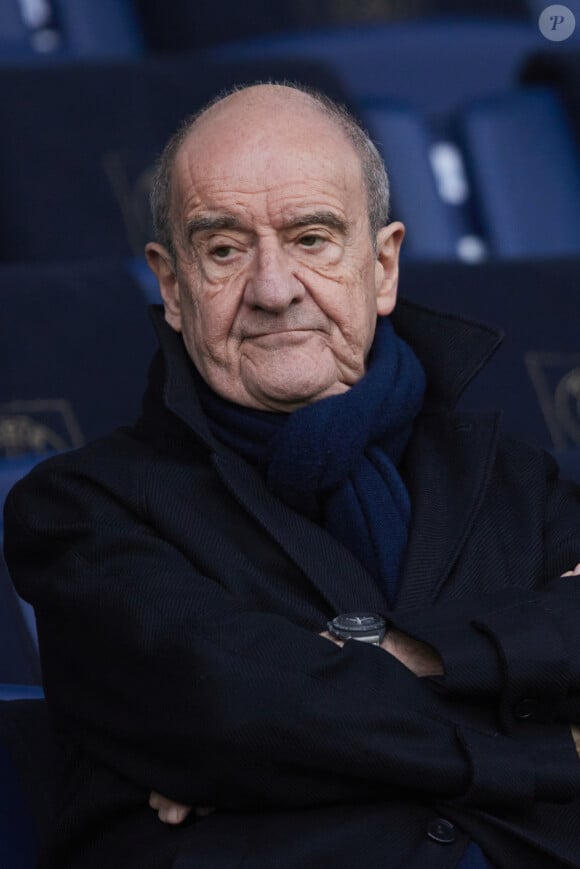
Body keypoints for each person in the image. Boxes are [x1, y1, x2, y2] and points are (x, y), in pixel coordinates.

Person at [4, 82, 580, 869]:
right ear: (173, 287)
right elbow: (237, 714)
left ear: (382, 267)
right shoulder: (81, 510)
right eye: (225, 249)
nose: (273, 290)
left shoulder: (514, 477)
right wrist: (548, 748)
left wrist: (410, 657)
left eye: (311, 238)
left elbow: (290, 721)